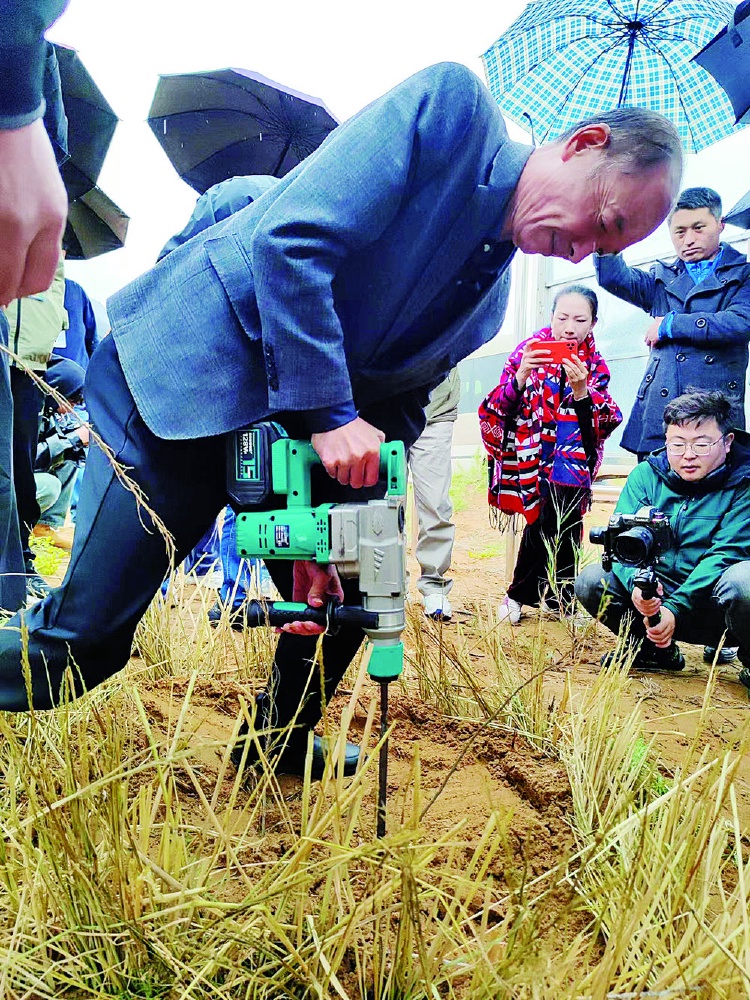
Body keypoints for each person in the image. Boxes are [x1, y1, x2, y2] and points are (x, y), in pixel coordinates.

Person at [0, 65, 682, 783]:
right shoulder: (454, 116)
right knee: (76, 648)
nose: (580, 252)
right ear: (585, 144)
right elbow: (290, 243)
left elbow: (393, 411)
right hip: (181, 383)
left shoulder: (483, 307)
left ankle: (279, 741)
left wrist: (325, 524)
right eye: (601, 223)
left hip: (276, 441)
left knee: (350, 587)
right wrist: (330, 416)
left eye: (603, 251)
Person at [595, 186, 750, 665]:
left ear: (720, 225)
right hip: (663, 413)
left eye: (698, 226)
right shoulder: (663, 275)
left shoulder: (742, 274)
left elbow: (740, 322)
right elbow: (618, 280)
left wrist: (669, 326)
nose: (688, 238)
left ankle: (717, 630)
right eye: (678, 229)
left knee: (718, 523)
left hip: (714, 412)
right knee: (652, 521)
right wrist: (607, 236)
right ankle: (651, 631)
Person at [575, 390, 750, 687]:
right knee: (592, 580)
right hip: (656, 602)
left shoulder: (744, 482)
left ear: (728, 442)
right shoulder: (646, 475)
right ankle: (654, 651)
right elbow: (622, 540)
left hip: (716, 608)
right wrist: (638, 585)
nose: (688, 455)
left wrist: (676, 607)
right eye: (677, 444)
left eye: (702, 444)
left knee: (744, 582)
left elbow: (727, 553)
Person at [480, 285, 622, 624]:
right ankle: (528, 595)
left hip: (571, 460)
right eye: (562, 317)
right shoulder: (527, 352)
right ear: (551, 317)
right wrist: (521, 375)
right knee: (539, 518)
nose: (569, 327)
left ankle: (554, 598)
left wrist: (581, 389)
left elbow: (603, 421)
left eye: (579, 319)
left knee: (568, 522)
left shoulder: (595, 364)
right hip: (529, 455)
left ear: (593, 323)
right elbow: (498, 407)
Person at [0, 1, 69, 613]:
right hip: (14, 357)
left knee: (18, 481)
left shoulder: (61, 273)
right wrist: (14, 111)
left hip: (30, 370)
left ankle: (14, 585)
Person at [5, 253, 68, 597]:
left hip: (28, 364)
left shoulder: (50, 234)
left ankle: (22, 564)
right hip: (7, 351)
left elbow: (52, 286)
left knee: (20, 467)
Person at [408, 368, 460, 622]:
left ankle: (434, 585)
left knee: (435, 502)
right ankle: (387, 585)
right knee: (382, 505)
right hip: (380, 406)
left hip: (436, 409)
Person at [32, 357, 88, 552]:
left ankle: (46, 527)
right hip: (11, 485)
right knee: (50, 486)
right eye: (71, 400)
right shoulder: (26, 408)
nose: (72, 408)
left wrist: (74, 439)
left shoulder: (47, 409)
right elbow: (26, 460)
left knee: (71, 456)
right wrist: (73, 439)